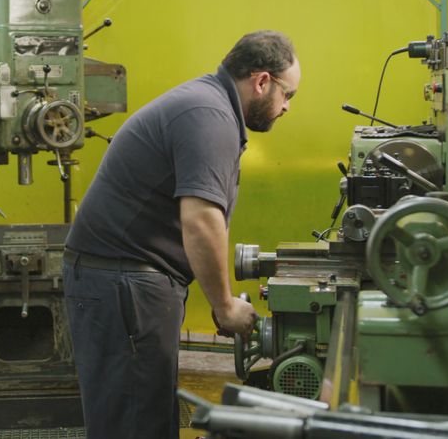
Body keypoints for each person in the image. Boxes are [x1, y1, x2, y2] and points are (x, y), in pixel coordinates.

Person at [63, 30, 301, 438]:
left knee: (145, 413)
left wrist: (215, 295)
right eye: (288, 95)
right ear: (262, 81)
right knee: (135, 423)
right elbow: (201, 220)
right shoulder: (209, 116)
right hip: (125, 283)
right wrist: (224, 305)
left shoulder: (207, 105)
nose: (286, 108)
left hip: (130, 280)